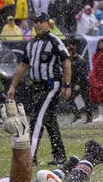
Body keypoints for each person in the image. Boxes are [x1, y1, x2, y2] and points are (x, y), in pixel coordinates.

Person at [6, 13, 71, 165]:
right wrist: (13, 86)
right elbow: (23, 66)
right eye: (35, 22)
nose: (38, 24)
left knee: (37, 119)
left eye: (41, 21)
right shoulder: (31, 44)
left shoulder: (54, 41)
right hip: (36, 86)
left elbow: (66, 60)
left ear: (48, 24)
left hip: (50, 85)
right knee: (49, 120)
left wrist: (66, 84)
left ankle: (30, 156)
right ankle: (60, 155)